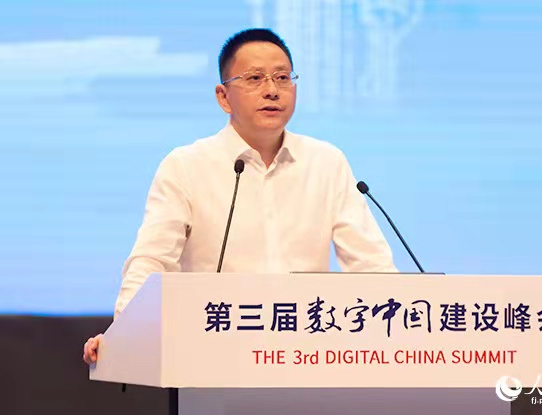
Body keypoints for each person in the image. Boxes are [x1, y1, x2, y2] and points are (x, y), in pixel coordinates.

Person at [83, 28, 397, 365]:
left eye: (282, 78)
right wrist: (125, 332)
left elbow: (371, 265)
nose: (272, 90)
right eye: (255, 78)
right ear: (223, 97)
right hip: (211, 355)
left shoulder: (326, 162)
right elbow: (151, 262)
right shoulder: (186, 166)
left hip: (307, 355)